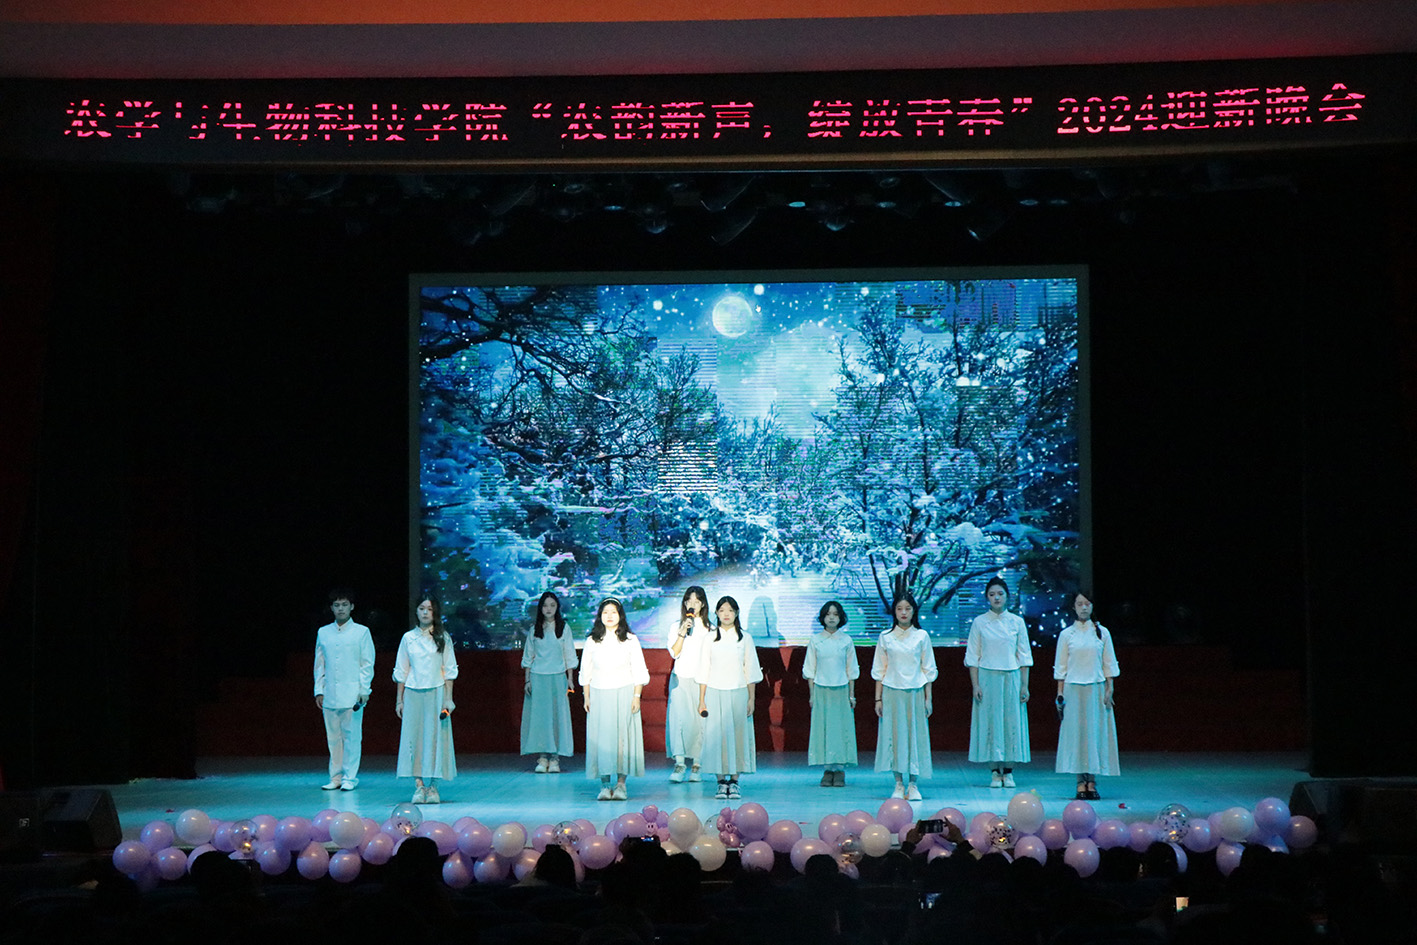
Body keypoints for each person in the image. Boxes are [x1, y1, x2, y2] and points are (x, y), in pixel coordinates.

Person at [964, 576, 1032, 788]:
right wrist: (975, 684)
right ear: (987, 597)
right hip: (987, 677)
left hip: (1011, 677)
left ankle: (1008, 771)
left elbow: (1024, 656)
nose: (996, 598)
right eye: (992, 594)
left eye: (1000, 594)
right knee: (991, 722)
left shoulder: (1017, 622)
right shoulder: (980, 622)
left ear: (1007, 596)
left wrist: (1024, 685)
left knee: (1011, 722)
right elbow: (973, 656)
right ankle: (994, 771)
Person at [579, 597, 649, 800]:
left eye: (613, 612)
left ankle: (620, 785)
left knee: (622, 740)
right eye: (605, 612)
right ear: (600, 616)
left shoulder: (630, 640)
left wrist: (636, 696)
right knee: (602, 740)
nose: (609, 616)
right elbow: (586, 671)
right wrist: (587, 697)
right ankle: (604, 785)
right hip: (599, 694)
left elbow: (639, 670)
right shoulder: (592, 640)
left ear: (620, 615)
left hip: (624, 693)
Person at [1054, 590, 1120, 799]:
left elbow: (1109, 663)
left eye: (1087, 604)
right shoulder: (1067, 635)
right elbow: (1061, 668)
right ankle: (1079, 783)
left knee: (1093, 734)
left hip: (1095, 689)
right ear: (1073, 607)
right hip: (1073, 690)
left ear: (1092, 606)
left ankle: (1091, 781)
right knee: (1077, 735)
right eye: (1079, 604)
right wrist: (1060, 695)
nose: (1083, 607)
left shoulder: (1102, 633)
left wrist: (1109, 689)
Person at [696, 595, 763, 800]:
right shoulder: (709, 638)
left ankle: (734, 781)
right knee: (716, 737)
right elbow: (704, 670)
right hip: (714, 692)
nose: (726, 614)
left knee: (738, 737)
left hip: (738, 692)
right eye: (722, 610)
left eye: (730, 610)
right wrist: (702, 700)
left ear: (736, 613)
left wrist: (751, 699)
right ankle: (720, 782)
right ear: (716, 613)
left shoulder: (745, 638)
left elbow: (750, 670)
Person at [872, 591, 937, 800]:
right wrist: (878, 699)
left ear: (913, 611)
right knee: (895, 737)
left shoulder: (922, 636)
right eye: (899, 608)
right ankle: (898, 784)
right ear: (894, 611)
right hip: (892, 693)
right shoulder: (886, 637)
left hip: (915, 693)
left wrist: (928, 698)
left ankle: (914, 784)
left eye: (907, 608)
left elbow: (928, 670)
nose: (903, 612)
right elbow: (879, 670)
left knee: (915, 736)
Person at [394, 596, 458, 803]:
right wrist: (399, 700)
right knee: (414, 739)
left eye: (429, 609)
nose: (425, 612)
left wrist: (448, 699)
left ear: (435, 613)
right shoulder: (408, 638)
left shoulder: (442, 637)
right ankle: (419, 785)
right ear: (416, 611)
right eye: (421, 608)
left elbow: (449, 670)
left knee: (435, 738)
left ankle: (433, 786)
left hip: (436, 692)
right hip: (413, 693)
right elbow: (401, 671)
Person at [313, 588, 375, 791]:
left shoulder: (361, 632)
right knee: (333, 738)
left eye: (344, 605)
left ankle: (350, 777)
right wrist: (319, 690)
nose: (341, 609)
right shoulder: (323, 632)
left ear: (352, 607)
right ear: (331, 608)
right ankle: (336, 777)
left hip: (353, 694)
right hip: (330, 692)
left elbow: (367, 663)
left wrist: (364, 689)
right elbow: (319, 664)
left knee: (352, 738)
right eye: (337, 605)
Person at [520, 591, 578, 773]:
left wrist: (570, 679)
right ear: (540, 608)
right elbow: (528, 657)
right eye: (545, 605)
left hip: (558, 678)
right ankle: (542, 757)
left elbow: (569, 655)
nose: (549, 609)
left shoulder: (564, 628)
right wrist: (527, 681)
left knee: (556, 717)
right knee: (540, 719)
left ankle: (555, 758)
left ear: (557, 607)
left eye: (552, 605)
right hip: (538, 678)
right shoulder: (534, 630)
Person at [804, 600, 859, 786]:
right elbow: (810, 670)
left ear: (841, 617)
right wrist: (812, 695)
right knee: (824, 730)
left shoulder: (846, 640)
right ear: (823, 617)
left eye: (835, 614)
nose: (832, 618)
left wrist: (851, 695)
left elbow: (851, 670)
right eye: (828, 614)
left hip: (841, 690)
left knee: (840, 730)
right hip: (821, 689)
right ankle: (828, 770)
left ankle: (840, 770)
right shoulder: (816, 640)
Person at [666, 585, 709, 783]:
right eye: (689, 601)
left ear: (703, 604)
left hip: (702, 681)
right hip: (680, 678)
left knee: (700, 722)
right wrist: (682, 632)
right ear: (684, 604)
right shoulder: (676, 626)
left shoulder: (711, 629)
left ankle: (698, 764)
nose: (693, 605)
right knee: (679, 721)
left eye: (697, 601)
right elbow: (674, 653)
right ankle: (680, 763)